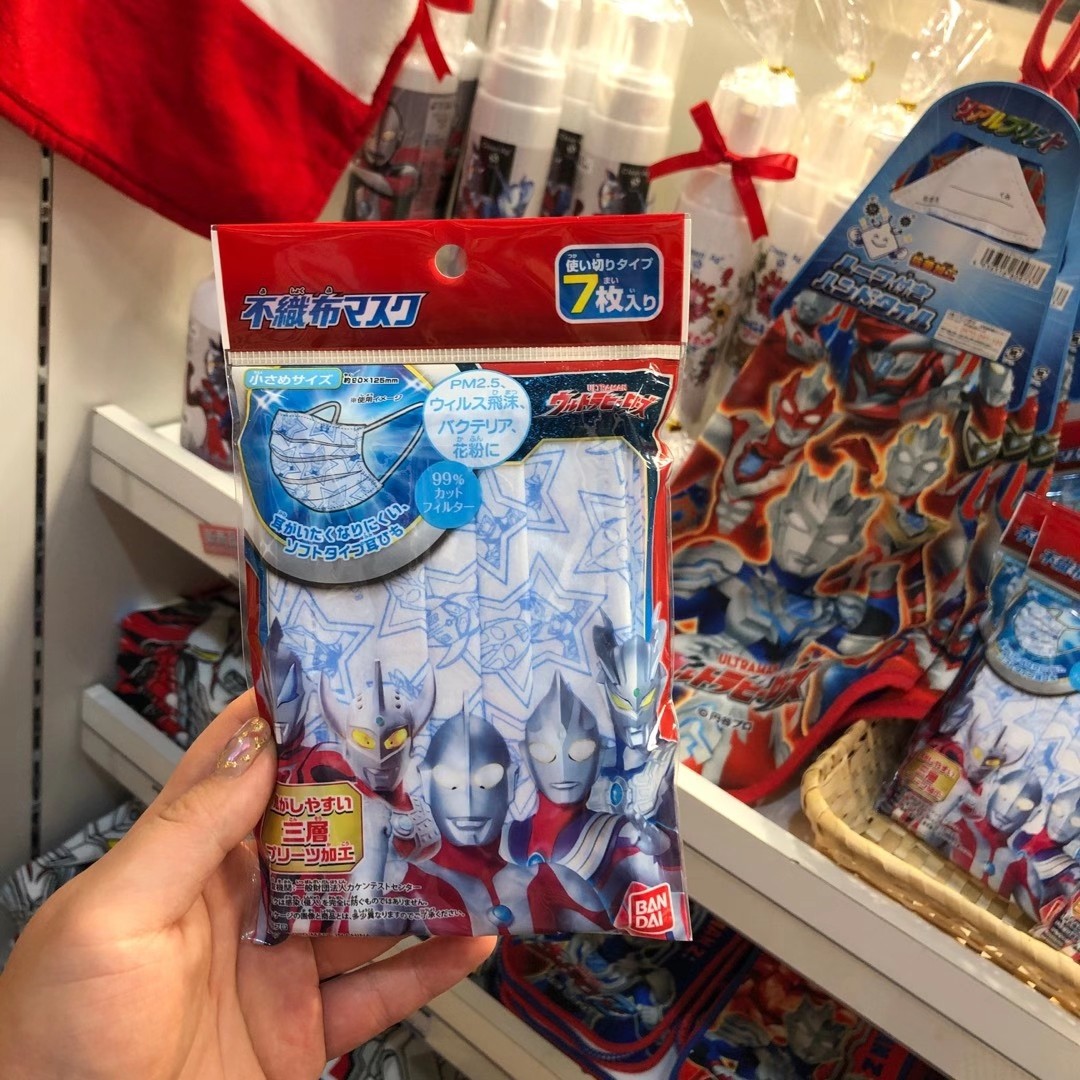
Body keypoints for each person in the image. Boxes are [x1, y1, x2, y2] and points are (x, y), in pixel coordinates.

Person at [0, 691, 495, 1079]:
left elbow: (425, 847)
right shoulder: (322, 773)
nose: (382, 756)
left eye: (395, 742)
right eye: (366, 740)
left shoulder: (407, 804)